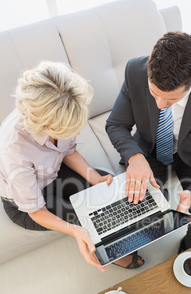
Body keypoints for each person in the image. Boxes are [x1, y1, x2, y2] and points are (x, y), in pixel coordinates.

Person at [0, 61, 144, 270]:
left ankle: (125, 233)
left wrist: (94, 177)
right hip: (24, 205)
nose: (76, 134)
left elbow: (67, 151)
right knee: (82, 219)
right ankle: (116, 252)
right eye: (69, 130)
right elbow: (35, 211)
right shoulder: (15, 152)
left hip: (52, 172)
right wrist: (75, 231)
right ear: (46, 126)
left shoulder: (60, 111)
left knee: (104, 185)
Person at [106, 31, 191, 252]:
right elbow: (116, 125)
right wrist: (135, 157)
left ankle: (186, 249)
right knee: (131, 207)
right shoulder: (134, 71)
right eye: (153, 93)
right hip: (149, 150)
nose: (159, 104)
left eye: (170, 99)